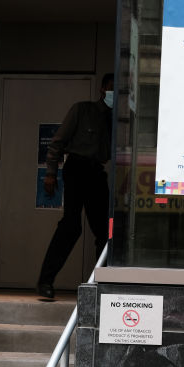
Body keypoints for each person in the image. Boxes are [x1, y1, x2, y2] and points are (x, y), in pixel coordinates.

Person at [36, 73, 114, 300]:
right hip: (77, 167)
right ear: (102, 89)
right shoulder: (83, 110)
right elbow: (57, 143)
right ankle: (45, 281)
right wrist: (50, 174)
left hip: (97, 171)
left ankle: (102, 284)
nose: (113, 93)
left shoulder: (117, 119)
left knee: (104, 231)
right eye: (111, 88)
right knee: (71, 226)